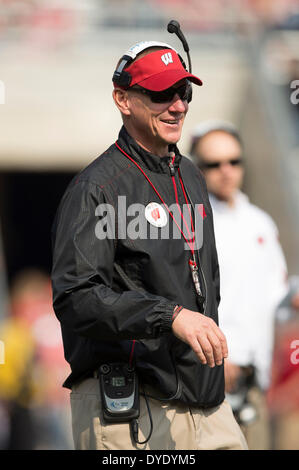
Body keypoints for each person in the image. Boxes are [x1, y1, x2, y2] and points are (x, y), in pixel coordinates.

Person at [51, 39, 247, 450]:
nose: (178, 106)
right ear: (123, 99)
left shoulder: (191, 175)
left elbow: (202, 281)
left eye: (184, 92)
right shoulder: (95, 188)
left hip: (208, 406)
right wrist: (169, 315)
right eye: (161, 94)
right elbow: (76, 297)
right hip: (132, 410)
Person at [189, 120, 288, 449]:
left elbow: (277, 295)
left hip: (255, 378)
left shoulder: (260, 221)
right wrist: (217, 357)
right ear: (197, 168)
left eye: (234, 161)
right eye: (214, 164)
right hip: (211, 378)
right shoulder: (191, 223)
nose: (226, 171)